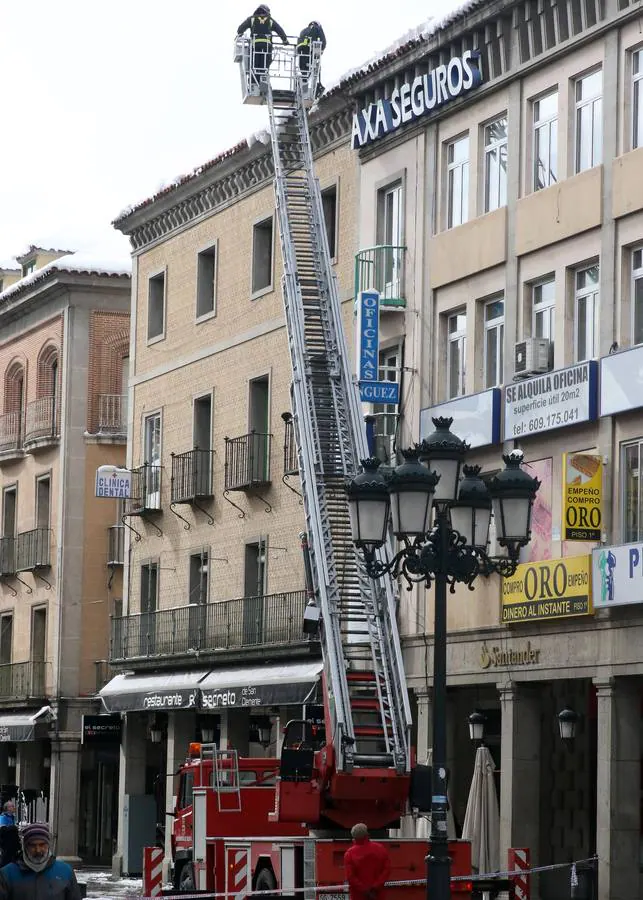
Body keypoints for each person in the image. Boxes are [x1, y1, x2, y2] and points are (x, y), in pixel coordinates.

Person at [0, 823, 81, 900]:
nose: (38, 850)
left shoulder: (65, 871)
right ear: (24, 847)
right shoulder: (7, 874)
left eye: (42, 845)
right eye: (32, 845)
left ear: (48, 845)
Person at [237, 6, 289, 81]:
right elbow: (279, 30)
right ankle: (263, 79)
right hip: (266, 46)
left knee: (255, 64)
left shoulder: (252, 19)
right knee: (264, 65)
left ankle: (254, 81)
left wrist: (240, 33)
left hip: (255, 46)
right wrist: (285, 40)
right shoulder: (270, 20)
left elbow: (241, 28)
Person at [344, 823, 391, 900]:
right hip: (378, 894)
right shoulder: (380, 848)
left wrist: (365, 891)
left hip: (358, 895)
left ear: (354, 837)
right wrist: (375, 887)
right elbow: (387, 870)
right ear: (367, 835)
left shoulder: (349, 854)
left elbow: (350, 877)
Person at [296, 21, 327, 97]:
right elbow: (323, 40)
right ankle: (308, 92)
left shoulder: (303, 30)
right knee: (313, 69)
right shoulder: (317, 28)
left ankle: (303, 91)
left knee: (304, 72)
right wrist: (321, 49)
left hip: (301, 50)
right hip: (309, 49)